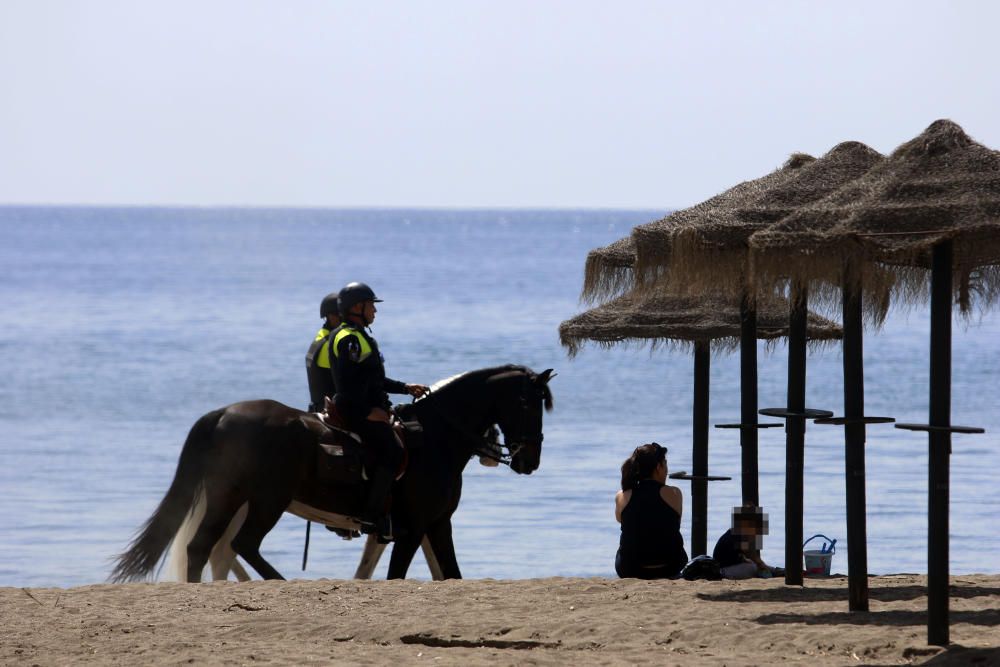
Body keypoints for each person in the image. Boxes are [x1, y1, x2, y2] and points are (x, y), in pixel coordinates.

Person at [328, 281, 429, 541]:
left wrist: (406, 388)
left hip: (366, 407)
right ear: (357, 307)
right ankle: (371, 516)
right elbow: (347, 384)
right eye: (372, 305)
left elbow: (373, 380)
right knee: (393, 452)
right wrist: (366, 413)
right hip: (354, 410)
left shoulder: (360, 335)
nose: (375, 310)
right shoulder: (349, 338)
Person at [614, 442, 688, 579]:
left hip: (630, 569)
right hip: (670, 567)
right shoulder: (674, 493)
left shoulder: (622, 496)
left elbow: (620, 520)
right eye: (665, 464)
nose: (667, 470)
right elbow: (675, 521)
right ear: (658, 467)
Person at [712, 504, 782, 579]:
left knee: (754, 564)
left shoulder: (735, 532)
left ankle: (776, 571)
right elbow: (752, 555)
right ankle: (774, 572)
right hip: (724, 571)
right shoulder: (739, 534)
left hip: (728, 567)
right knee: (754, 567)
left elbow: (742, 555)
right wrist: (762, 565)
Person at [305, 292, 341, 413]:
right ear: (332, 316)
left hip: (316, 408)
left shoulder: (320, 338)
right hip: (333, 414)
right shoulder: (329, 345)